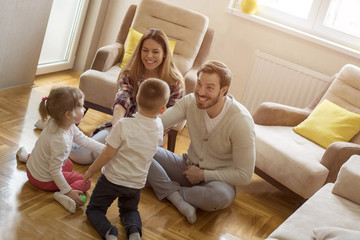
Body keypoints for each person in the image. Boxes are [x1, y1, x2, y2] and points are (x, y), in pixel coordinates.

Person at [146, 60, 256, 224]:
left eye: (210, 87)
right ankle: (176, 196)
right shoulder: (190, 102)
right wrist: (136, 128)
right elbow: (159, 122)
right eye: (199, 84)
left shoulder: (241, 122)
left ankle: (163, 185)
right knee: (141, 149)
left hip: (219, 181)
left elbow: (245, 175)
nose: (201, 92)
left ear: (223, 90)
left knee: (219, 198)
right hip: (186, 168)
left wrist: (204, 175)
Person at [69, 28, 184, 164]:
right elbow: (121, 101)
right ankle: (63, 131)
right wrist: (117, 131)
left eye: (155, 51)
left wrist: (137, 138)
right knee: (81, 156)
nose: (149, 56)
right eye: (145, 50)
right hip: (121, 127)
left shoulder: (175, 83)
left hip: (147, 140)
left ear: (165, 53)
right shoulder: (130, 73)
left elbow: (171, 120)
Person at [83, 78, 170, 240]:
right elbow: (157, 147)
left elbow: (108, 154)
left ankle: (109, 232)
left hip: (112, 180)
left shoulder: (123, 125)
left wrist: (90, 170)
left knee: (94, 209)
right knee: (130, 210)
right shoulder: (159, 127)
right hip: (136, 183)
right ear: (163, 109)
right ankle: (134, 232)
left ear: (136, 97)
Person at [16, 86, 105, 213]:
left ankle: (26, 158)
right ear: (68, 114)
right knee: (86, 182)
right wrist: (68, 191)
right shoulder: (60, 140)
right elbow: (55, 171)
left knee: (67, 164)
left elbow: (83, 140)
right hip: (42, 180)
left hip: (33, 168)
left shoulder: (60, 122)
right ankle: (62, 195)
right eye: (80, 106)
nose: (84, 109)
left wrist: (105, 149)